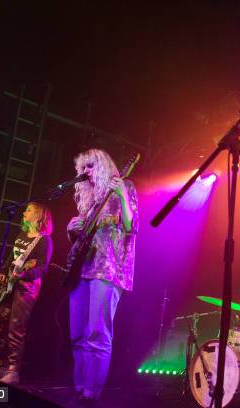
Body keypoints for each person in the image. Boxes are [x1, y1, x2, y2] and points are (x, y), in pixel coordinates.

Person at [66, 149, 138, 404]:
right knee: (77, 334)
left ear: (103, 165)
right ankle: (80, 387)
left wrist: (122, 196)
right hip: (82, 270)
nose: (85, 172)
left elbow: (131, 227)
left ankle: (92, 393)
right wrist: (71, 229)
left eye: (89, 166)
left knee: (97, 333)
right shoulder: (92, 200)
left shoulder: (123, 187)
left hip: (108, 269)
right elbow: (83, 241)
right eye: (82, 168)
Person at [0, 202, 53, 384]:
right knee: (1, 325)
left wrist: (25, 274)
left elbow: (42, 268)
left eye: (29, 210)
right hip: (10, 286)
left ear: (39, 215)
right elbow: (12, 257)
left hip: (27, 288)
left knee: (16, 328)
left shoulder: (44, 240)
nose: (24, 212)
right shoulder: (20, 235)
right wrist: (4, 271)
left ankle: (13, 370)